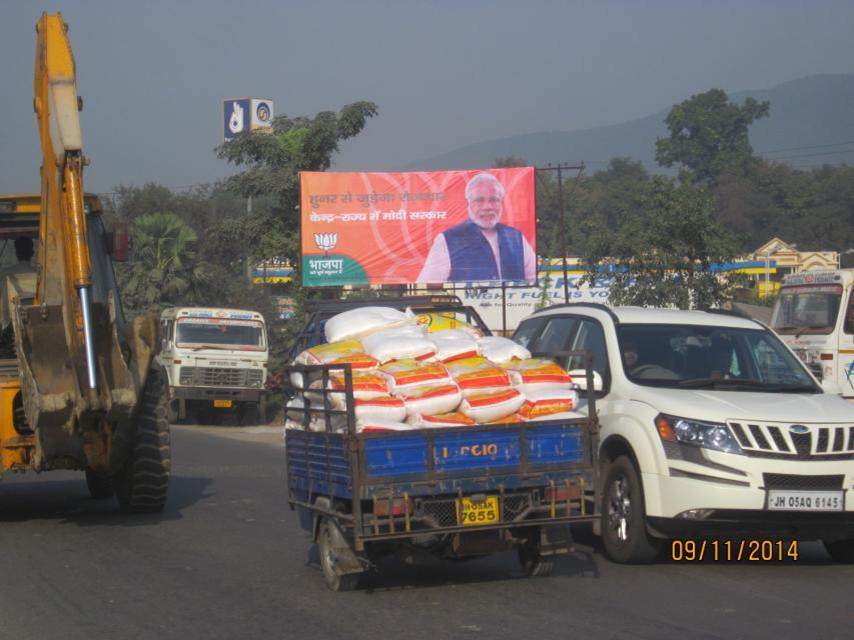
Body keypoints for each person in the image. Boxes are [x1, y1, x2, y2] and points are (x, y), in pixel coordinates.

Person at [417, 173, 536, 283]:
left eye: (494, 200)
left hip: (512, 305)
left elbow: (536, 281)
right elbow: (426, 287)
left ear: (501, 203)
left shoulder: (516, 238)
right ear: (467, 204)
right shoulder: (446, 240)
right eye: (479, 200)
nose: (487, 207)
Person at [0, 237, 36, 356]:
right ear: (32, 253)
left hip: (9, 332)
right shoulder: (39, 275)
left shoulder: (4, 274)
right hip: (36, 326)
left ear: (16, 253)